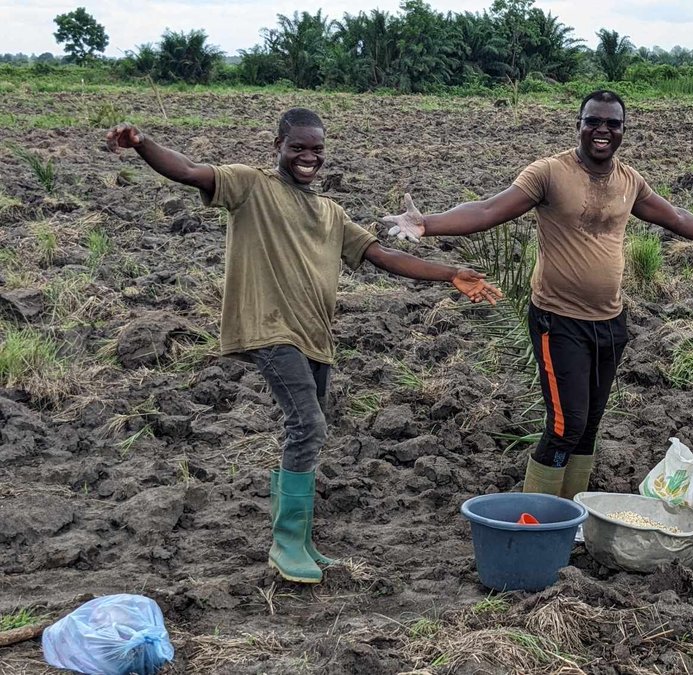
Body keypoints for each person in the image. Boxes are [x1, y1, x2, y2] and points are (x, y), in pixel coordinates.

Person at [104, 109, 501, 584]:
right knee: (307, 424)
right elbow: (189, 171)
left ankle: (302, 539)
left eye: (316, 149)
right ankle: (286, 543)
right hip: (269, 329)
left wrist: (449, 274)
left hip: (315, 335)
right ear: (278, 146)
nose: (308, 157)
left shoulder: (331, 213)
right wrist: (142, 143)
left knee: (308, 431)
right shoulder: (250, 186)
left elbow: (383, 255)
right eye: (298, 148)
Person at [383, 90, 693, 501]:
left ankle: (573, 513)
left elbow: (675, 217)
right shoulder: (549, 173)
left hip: (610, 321)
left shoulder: (629, 180)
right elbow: (488, 210)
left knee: (589, 424)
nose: (602, 131)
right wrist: (427, 224)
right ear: (578, 125)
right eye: (593, 122)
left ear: (622, 131)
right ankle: (535, 516)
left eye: (612, 124)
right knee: (566, 426)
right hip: (558, 321)